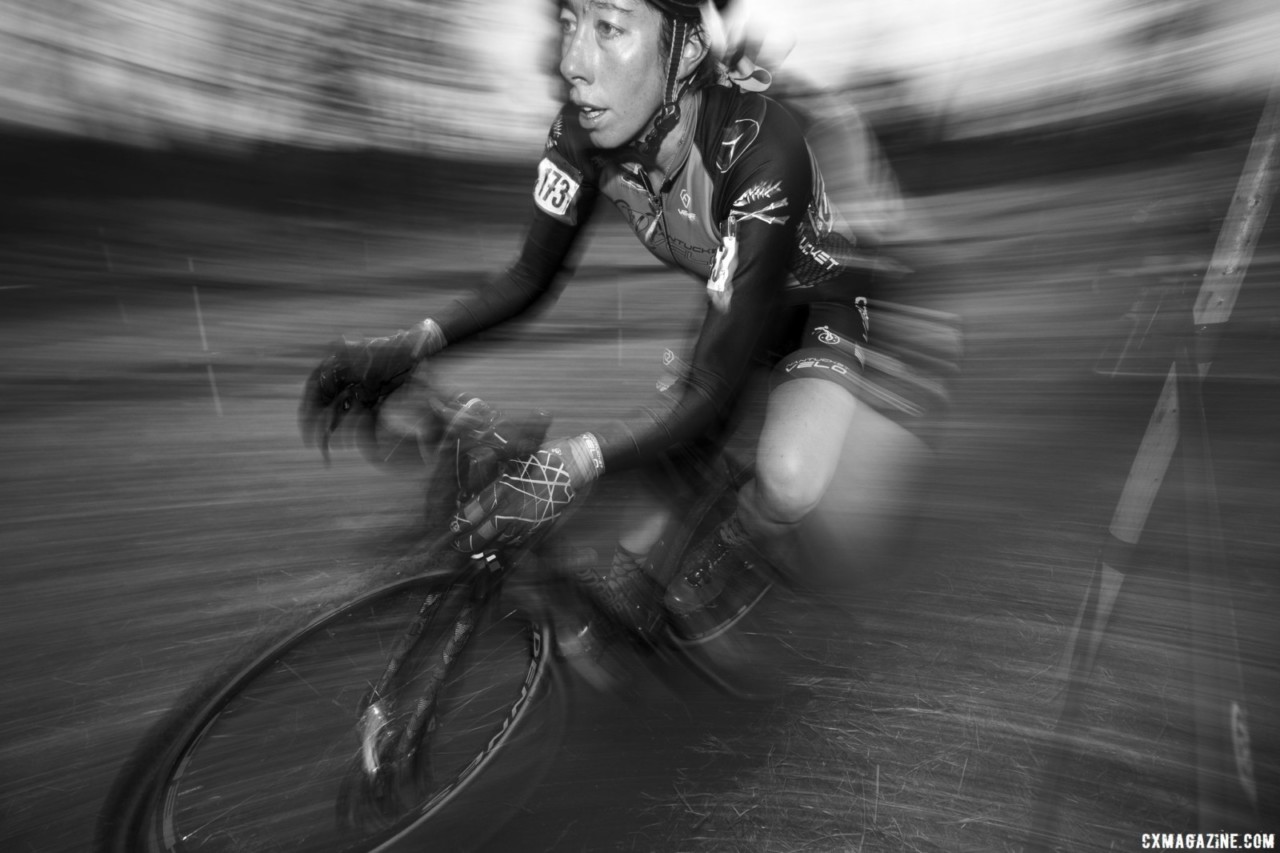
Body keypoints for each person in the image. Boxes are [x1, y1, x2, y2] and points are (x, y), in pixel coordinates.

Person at [300, 0, 952, 640]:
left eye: (609, 26)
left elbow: (710, 388)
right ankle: (664, 543)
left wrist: (570, 463)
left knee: (786, 481)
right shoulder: (581, 137)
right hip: (736, 292)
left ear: (687, 50)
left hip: (823, 307)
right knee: (668, 454)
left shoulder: (757, 148)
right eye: (569, 23)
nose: (573, 61)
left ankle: (741, 538)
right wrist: (409, 345)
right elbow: (529, 279)